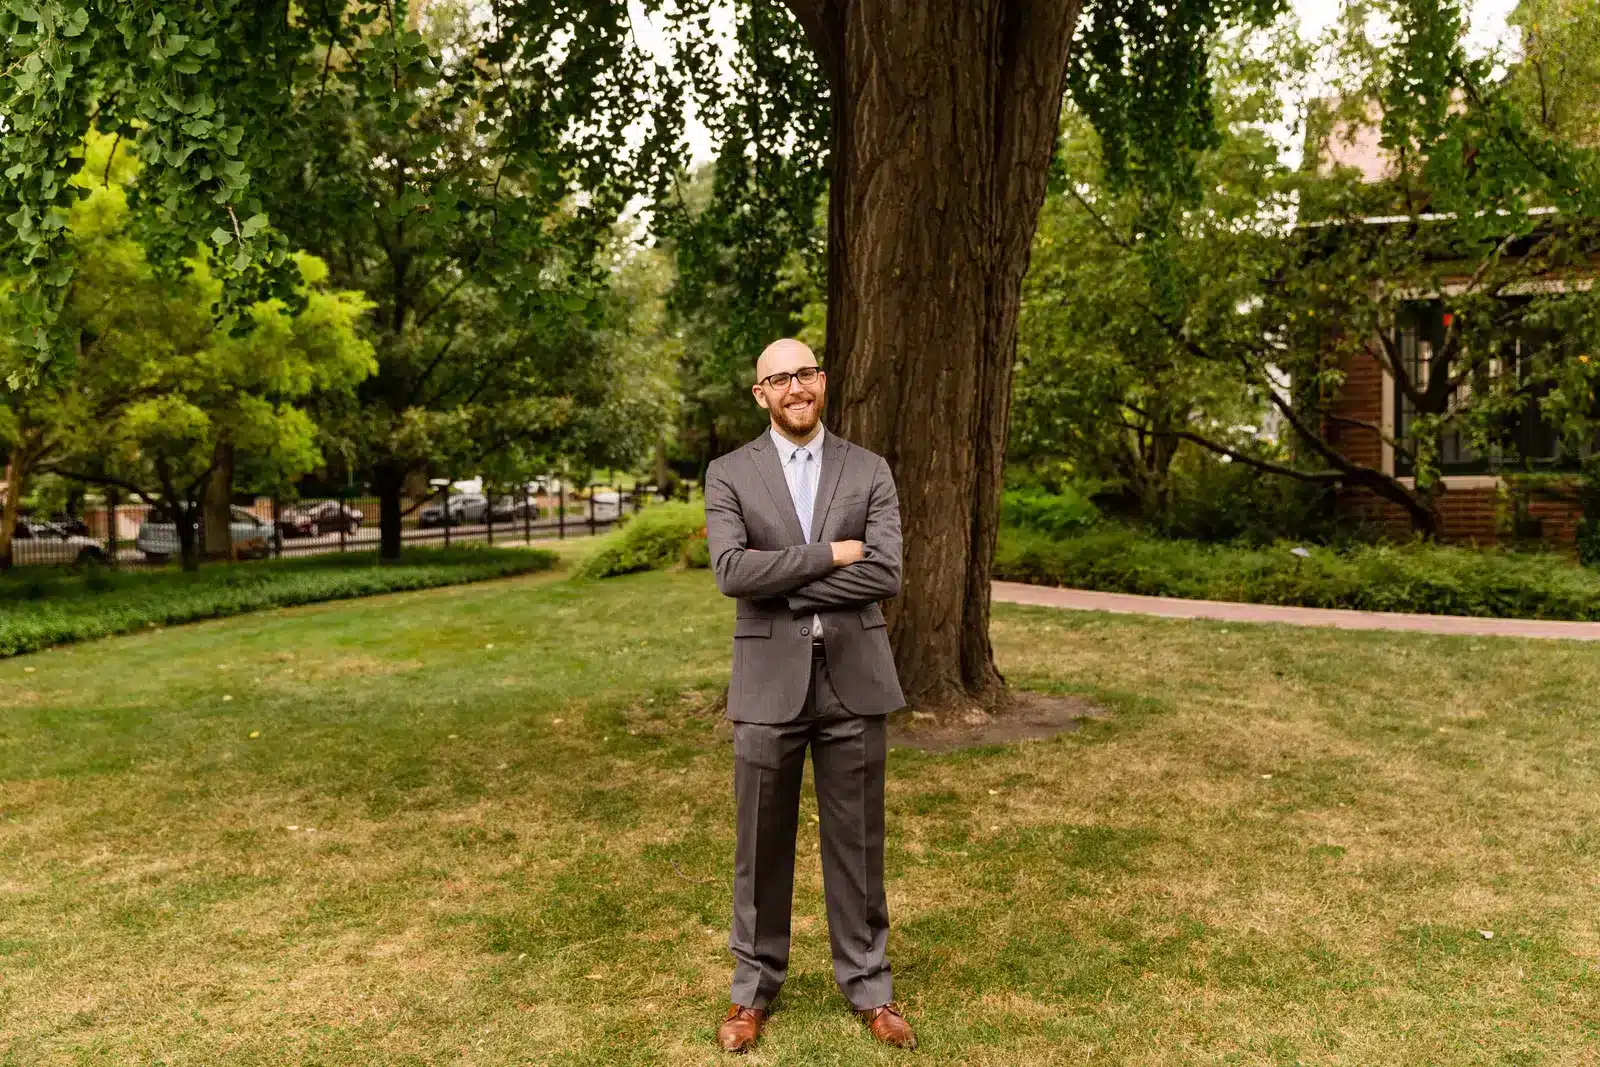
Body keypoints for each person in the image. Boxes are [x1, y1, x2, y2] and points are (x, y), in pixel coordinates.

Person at [702, 338, 916, 1053]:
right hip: (766, 683)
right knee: (759, 840)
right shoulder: (730, 473)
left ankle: (870, 985)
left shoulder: (869, 469)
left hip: (854, 676)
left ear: (821, 382)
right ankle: (753, 988)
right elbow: (734, 570)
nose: (795, 387)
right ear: (759, 393)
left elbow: (883, 571)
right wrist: (831, 554)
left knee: (858, 841)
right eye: (779, 378)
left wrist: (785, 583)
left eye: (805, 373)